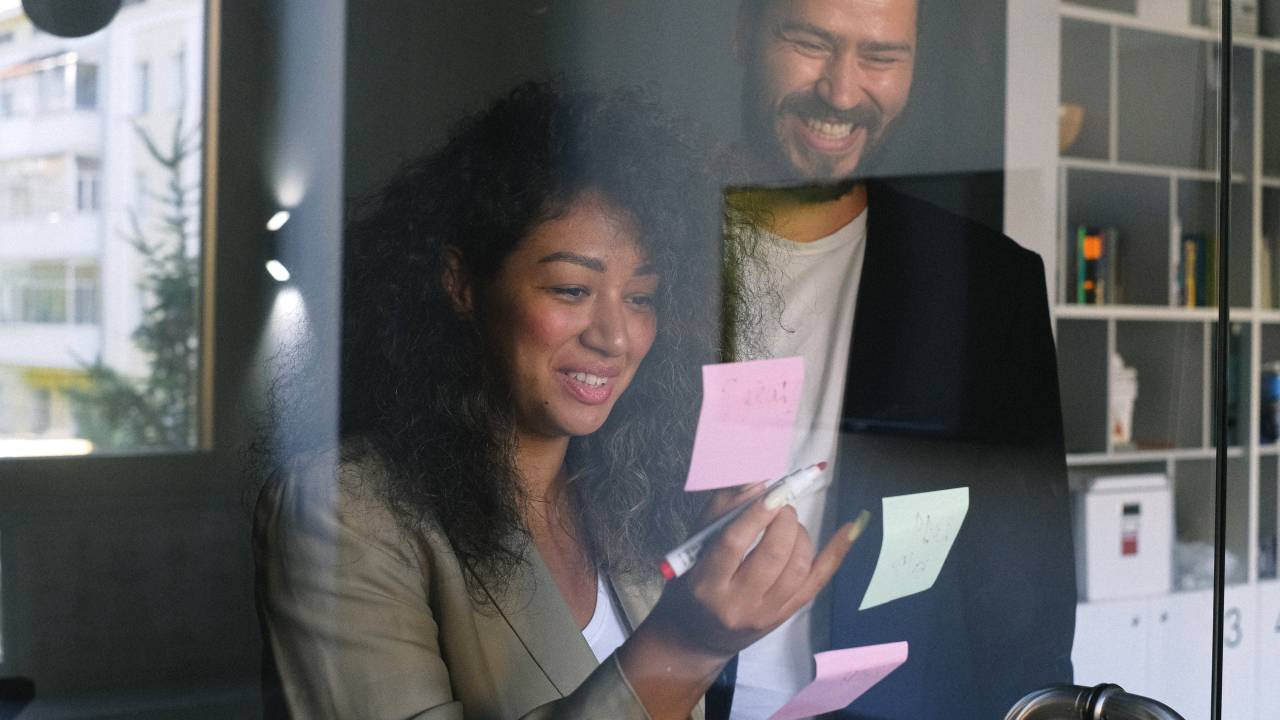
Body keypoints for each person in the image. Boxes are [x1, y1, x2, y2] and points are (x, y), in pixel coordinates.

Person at [253, 81, 863, 720]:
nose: (616, 337)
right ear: (461, 284)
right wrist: (684, 646)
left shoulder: (627, 497)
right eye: (572, 290)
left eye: (641, 298)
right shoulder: (341, 513)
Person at [719, 1, 1077, 718]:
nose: (844, 92)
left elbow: (1022, 603)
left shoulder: (987, 287)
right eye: (810, 42)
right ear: (744, 36)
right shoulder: (631, 261)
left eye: (880, 58)